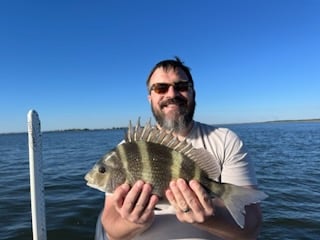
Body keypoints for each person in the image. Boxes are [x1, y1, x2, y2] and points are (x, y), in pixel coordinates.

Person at [95, 57, 263, 240]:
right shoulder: (125, 150)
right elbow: (111, 228)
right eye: (160, 88)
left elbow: (251, 228)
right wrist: (133, 221)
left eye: (181, 86)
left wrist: (207, 217)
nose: (171, 94)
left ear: (193, 92)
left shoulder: (225, 140)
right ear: (149, 98)